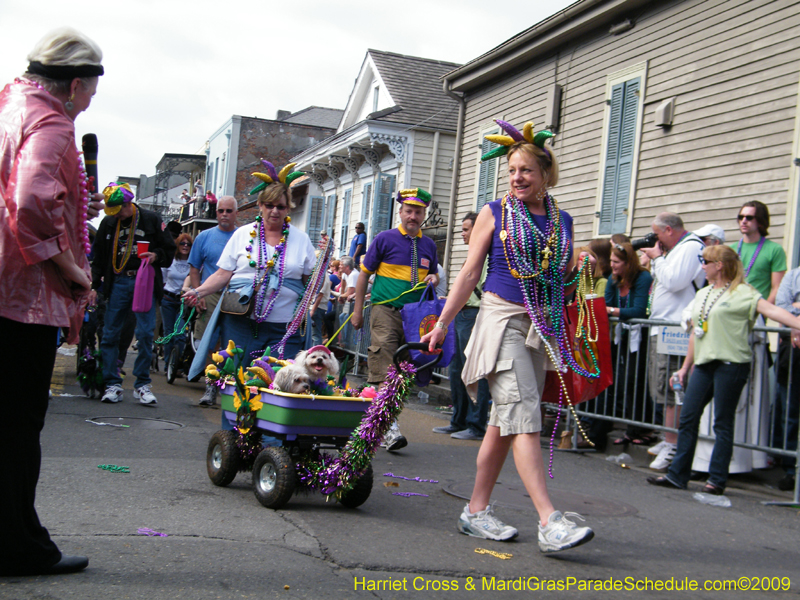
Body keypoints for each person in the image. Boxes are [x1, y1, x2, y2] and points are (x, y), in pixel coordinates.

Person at [421, 120, 594, 553]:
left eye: (526, 171)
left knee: (503, 424)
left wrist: (578, 271)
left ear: (545, 175)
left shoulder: (563, 220)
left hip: (539, 325)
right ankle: (549, 520)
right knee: (524, 417)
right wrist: (443, 322)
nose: (517, 177)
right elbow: (468, 273)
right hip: (501, 320)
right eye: (513, 170)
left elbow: (560, 285)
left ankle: (475, 512)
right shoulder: (494, 213)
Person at [0, 26, 106, 576]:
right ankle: (18, 547)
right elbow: (30, 200)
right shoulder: (52, 120)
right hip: (19, 297)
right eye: (90, 91)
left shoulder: (8, 105)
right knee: (17, 427)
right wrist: (72, 270)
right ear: (72, 84)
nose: (89, 103)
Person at [647, 245, 800, 495]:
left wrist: (797, 323)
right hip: (704, 364)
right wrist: (686, 367)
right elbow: (696, 333)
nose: (702, 266)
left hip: (732, 364)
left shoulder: (745, 293)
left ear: (719, 265)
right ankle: (678, 475)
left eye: (705, 261)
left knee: (722, 422)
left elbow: (774, 311)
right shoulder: (703, 293)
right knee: (688, 417)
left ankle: (717, 480)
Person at [184, 163, 316, 381]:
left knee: (279, 382)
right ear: (260, 205)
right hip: (240, 322)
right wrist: (198, 292)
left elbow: (309, 282)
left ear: (288, 208)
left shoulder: (300, 239)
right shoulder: (243, 235)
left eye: (281, 206)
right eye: (269, 205)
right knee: (236, 378)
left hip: (284, 328)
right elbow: (222, 275)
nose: (275, 211)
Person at [352, 188, 440, 452]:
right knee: (383, 364)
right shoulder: (384, 239)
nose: (413, 216)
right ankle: (388, 429)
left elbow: (433, 275)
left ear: (424, 215)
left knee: (402, 373)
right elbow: (363, 276)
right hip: (384, 310)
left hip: (415, 318)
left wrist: (433, 278)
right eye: (408, 211)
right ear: (400, 213)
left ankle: (372, 418)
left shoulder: (429, 245)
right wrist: (358, 310)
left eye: (418, 212)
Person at [92, 183, 176, 405]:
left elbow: (169, 250)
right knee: (110, 333)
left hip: (144, 280)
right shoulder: (109, 223)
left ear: (128, 203)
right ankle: (112, 383)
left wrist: (155, 256)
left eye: (119, 210)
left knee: (146, 333)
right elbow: (98, 257)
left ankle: (142, 384)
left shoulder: (151, 219)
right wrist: (93, 286)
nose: (117, 215)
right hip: (117, 280)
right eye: (113, 212)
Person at [640, 213, 705, 470]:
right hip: (663, 329)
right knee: (661, 386)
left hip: (676, 330)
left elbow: (675, 282)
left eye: (657, 235)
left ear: (668, 230)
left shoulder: (690, 247)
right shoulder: (676, 251)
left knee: (671, 388)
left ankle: (672, 443)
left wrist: (657, 259)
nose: (656, 240)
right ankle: (667, 436)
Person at [587, 242, 653, 448]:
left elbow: (639, 310)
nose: (612, 266)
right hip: (618, 335)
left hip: (638, 336)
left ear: (627, 263)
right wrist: (612, 310)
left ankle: (638, 428)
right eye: (612, 262)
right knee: (613, 379)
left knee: (634, 380)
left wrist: (613, 311)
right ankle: (608, 428)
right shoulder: (613, 281)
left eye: (616, 262)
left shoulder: (642, 278)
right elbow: (605, 305)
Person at [433, 212, 490, 441]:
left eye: (466, 229)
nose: (463, 234)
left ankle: (476, 424)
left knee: (474, 371)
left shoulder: (485, 255)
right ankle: (458, 421)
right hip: (462, 314)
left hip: (474, 314)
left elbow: (482, 286)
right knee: (456, 370)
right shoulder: (474, 254)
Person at [187, 195, 238, 406]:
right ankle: (210, 388)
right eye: (220, 211)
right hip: (211, 294)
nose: (224, 214)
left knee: (232, 344)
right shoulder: (204, 237)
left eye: (228, 211)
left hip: (237, 296)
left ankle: (230, 389)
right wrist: (198, 293)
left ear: (236, 213)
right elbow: (194, 268)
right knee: (208, 345)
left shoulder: (243, 236)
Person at [773, 268, 800, 491]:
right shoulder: (793, 276)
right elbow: (780, 306)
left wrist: (795, 315)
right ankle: (791, 470)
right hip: (791, 351)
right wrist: (795, 314)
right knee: (789, 411)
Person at [734, 201, 786, 304]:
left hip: (756, 311)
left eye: (749, 217)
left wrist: (763, 313)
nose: (744, 221)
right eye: (741, 217)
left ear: (760, 221)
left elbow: (777, 287)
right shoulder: (731, 249)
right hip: (730, 308)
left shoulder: (774, 249)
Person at [160, 233, 193, 371]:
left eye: (188, 244)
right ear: (177, 245)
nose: (185, 246)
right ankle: (168, 363)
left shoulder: (193, 263)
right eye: (182, 243)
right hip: (168, 299)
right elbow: (162, 279)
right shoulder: (170, 260)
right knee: (168, 333)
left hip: (183, 301)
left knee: (180, 334)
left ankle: (177, 364)